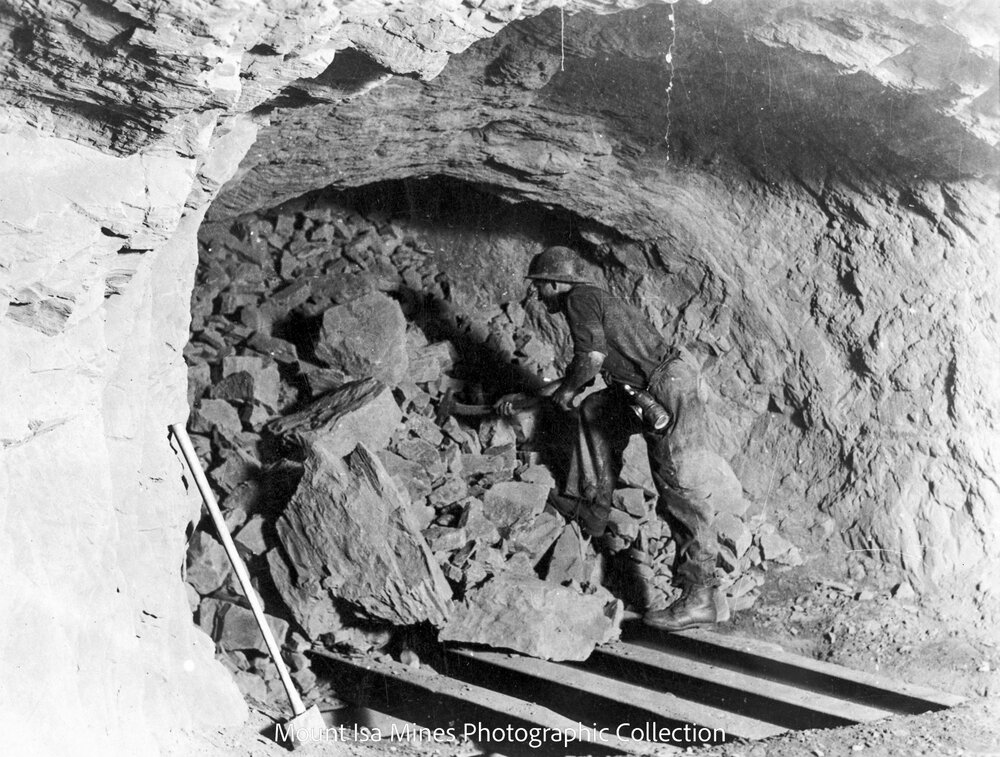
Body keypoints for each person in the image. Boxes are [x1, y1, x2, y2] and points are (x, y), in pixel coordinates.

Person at [496, 245, 741, 632]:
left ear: (555, 283)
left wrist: (563, 393)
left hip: (665, 385)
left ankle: (699, 596)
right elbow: (587, 373)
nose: (538, 297)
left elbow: (589, 360)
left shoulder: (578, 299)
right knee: (596, 411)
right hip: (644, 386)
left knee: (677, 485)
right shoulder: (592, 298)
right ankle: (591, 509)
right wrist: (535, 397)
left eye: (540, 287)